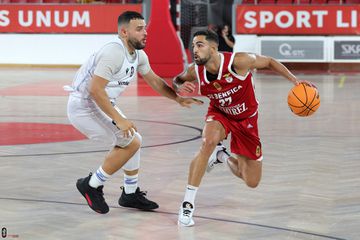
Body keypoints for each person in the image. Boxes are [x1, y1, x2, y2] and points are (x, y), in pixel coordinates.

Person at [66, 11, 203, 214]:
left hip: (102, 102)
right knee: (131, 141)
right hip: (84, 105)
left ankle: (130, 193)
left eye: (145, 28)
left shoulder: (139, 54)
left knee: (133, 138)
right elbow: (95, 90)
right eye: (139, 29)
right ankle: (91, 185)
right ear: (123, 32)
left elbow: (155, 80)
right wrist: (119, 119)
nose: (145, 33)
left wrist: (177, 98)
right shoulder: (114, 52)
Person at [173, 29, 312, 226]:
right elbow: (177, 79)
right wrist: (179, 87)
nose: (194, 50)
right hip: (220, 114)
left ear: (213, 48)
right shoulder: (194, 70)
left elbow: (270, 61)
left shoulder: (238, 61)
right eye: (193, 46)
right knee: (208, 141)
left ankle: (221, 155)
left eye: (200, 45)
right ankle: (187, 205)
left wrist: (294, 81)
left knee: (251, 181)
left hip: (247, 120)